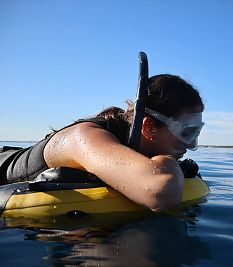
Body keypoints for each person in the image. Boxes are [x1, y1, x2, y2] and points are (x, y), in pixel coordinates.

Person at [0, 74, 205, 212]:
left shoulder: (129, 140)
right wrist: (166, 161)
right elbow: (161, 192)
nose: (192, 145)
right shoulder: (83, 137)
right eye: (187, 132)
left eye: (197, 131)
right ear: (148, 127)